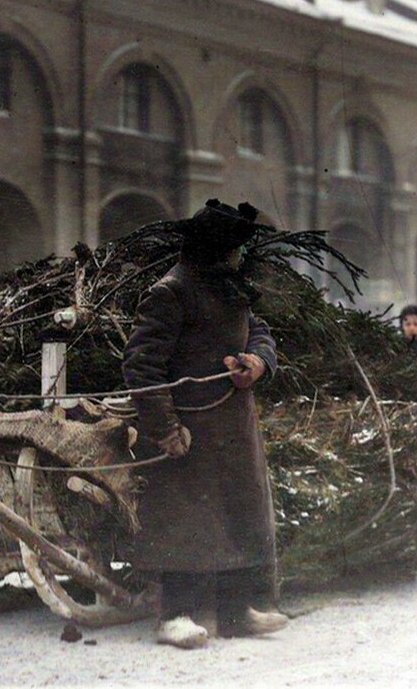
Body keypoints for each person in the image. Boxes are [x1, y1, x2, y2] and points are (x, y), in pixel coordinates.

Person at [122, 199, 288, 649]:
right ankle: (174, 615)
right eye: (233, 248)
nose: (238, 256)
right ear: (214, 248)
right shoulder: (170, 291)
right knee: (187, 521)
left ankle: (236, 614)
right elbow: (142, 364)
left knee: (238, 514)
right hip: (190, 432)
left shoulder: (229, 288)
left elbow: (260, 332)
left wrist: (258, 362)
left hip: (234, 426)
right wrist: (165, 427)